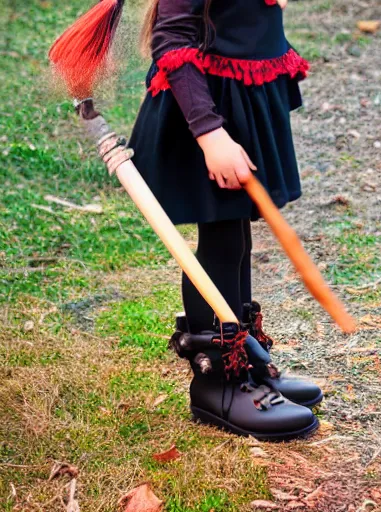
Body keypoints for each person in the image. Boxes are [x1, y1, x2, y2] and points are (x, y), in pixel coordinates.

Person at [54, 0, 324, 440]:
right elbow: (171, 39)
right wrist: (210, 134)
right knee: (220, 241)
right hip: (207, 112)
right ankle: (217, 382)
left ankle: (247, 361)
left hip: (240, 100)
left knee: (236, 235)